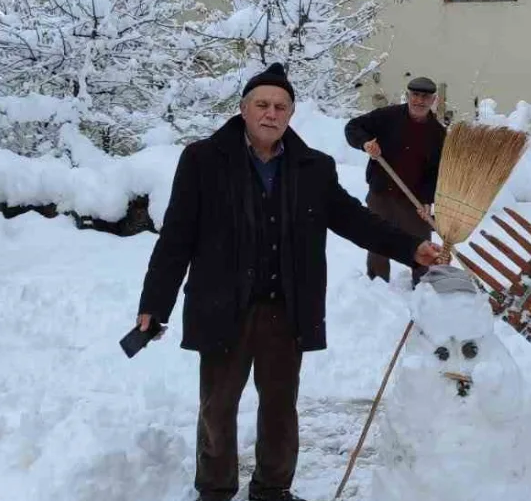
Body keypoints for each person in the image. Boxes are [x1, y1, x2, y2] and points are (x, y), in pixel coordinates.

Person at [134, 63, 444, 501]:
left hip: (286, 305)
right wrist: (155, 303)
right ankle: (215, 490)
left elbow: (354, 219)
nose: (271, 113)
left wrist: (411, 247)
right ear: (243, 109)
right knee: (218, 407)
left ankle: (272, 490)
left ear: (291, 114)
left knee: (280, 407)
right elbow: (177, 237)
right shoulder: (203, 160)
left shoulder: (312, 167)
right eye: (261, 104)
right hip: (223, 304)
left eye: (280, 106)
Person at [344, 76, 446, 285]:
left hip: (413, 199)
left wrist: (427, 200)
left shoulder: (437, 133)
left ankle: (423, 286)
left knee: (422, 242)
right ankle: (377, 285)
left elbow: (435, 171)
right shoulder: (387, 116)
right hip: (381, 193)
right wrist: (365, 144)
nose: (419, 101)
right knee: (377, 240)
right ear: (408, 95)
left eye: (425, 97)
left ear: (433, 100)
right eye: (415, 95)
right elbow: (353, 127)